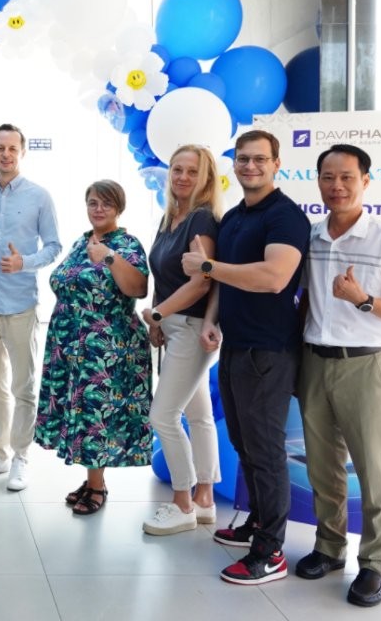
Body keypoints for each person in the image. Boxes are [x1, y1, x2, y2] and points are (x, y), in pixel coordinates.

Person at [294, 144, 381, 607]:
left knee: (376, 471)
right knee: (321, 466)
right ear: (318, 181)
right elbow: (303, 301)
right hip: (314, 361)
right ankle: (329, 547)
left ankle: (378, 564)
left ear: (365, 181)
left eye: (347, 177)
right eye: (328, 177)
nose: (337, 186)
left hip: (366, 365)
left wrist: (362, 300)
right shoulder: (309, 236)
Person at [181, 129, 310, 585]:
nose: (250, 166)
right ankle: (257, 521)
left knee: (265, 450)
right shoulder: (235, 216)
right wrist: (212, 317)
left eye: (259, 159)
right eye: (242, 159)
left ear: (276, 164)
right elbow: (225, 280)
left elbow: (274, 277)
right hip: (235, 344)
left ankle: (270, 551)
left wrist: (208, 266)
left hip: (269, 350)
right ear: (233, 164)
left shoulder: (285, 216)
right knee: (243, 442)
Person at [34, 179, 151, 516]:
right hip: (71, 343)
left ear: (119, 208)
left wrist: (109, 257)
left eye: (106, 203)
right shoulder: (81, 242)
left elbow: (138, 288)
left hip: (105, 346)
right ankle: (91, 480)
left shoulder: (126, 244)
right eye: (93, 203)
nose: (99, 209)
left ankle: (97, 486)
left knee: (96, 413)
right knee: (80, 411)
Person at [0, 124, 60, 492]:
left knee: (24, 386)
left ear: (22, 152)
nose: (6, 154)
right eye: (0, 148)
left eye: (12, 148)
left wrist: (25, 263)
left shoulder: (40, 197)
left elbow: (54, 246)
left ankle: (21, 456)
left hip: (21, 305)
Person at [141, 146, 223, 535]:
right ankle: (204, 499)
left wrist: (158, 314)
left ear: (206, 178)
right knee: (198, 414)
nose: (183, 177)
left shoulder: (201, 219)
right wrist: (160, 319)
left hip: (190, 326)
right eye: (177, 169)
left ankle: (182, 503)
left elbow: (202, 281)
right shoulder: (170, 217)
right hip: (174, 325)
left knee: (162, 416)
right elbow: (165, 277)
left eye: (193, 171)